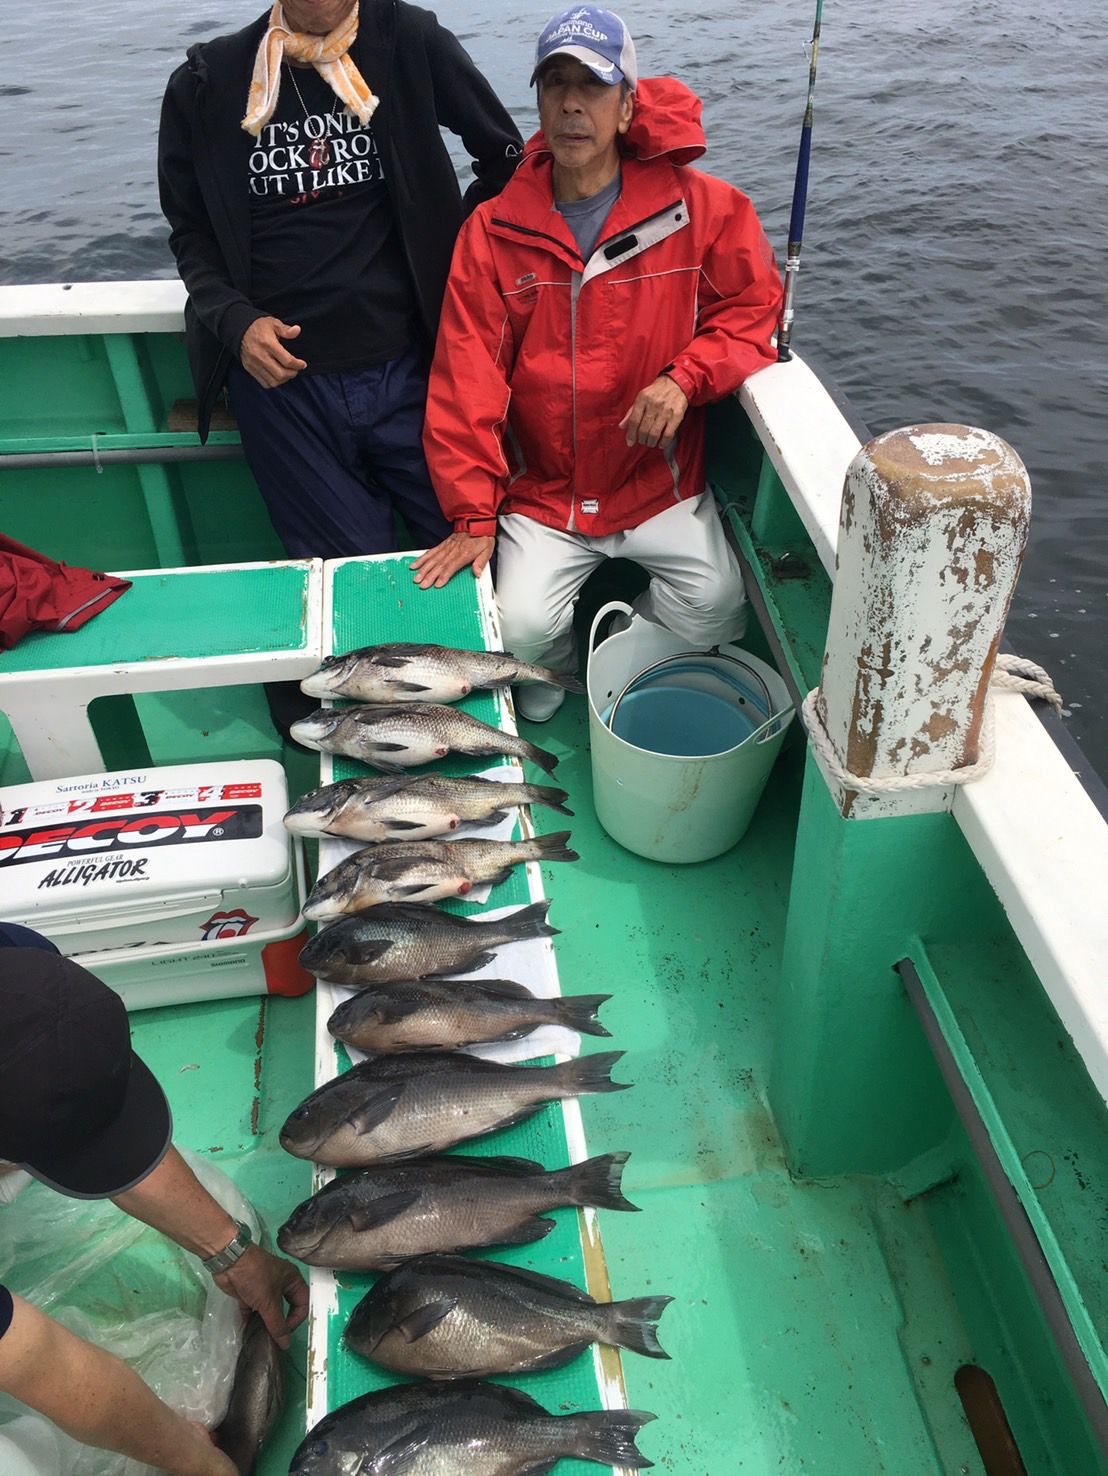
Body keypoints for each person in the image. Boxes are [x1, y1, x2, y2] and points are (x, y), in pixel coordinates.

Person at [413, 6, 783, 721]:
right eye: (555, 84)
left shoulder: (704, 210)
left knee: (717, 608)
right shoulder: (491, 231)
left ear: (628, 106)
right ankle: (555, 674)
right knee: (520, 631)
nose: (572, 104)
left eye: (593, 85)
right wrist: (473, 514)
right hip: (545, 494)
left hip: (656, 483)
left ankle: (620, 644)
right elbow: (467, 380)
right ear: (539, 102)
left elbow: (753, 309)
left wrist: (685, 378)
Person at [158, 0, 522, 561]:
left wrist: (457, 245)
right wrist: (236, 322)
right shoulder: (209, 80)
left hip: (418, 369)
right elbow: (190, 232)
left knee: (477, 563)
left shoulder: (409, 40)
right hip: (285, 395)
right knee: (349, 584)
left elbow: (505, 157)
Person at [0, 940, 309, 1476]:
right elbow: (36, 1357)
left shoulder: (17, 954)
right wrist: (197, 1459)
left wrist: (232, 1253)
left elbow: (86, 1112)